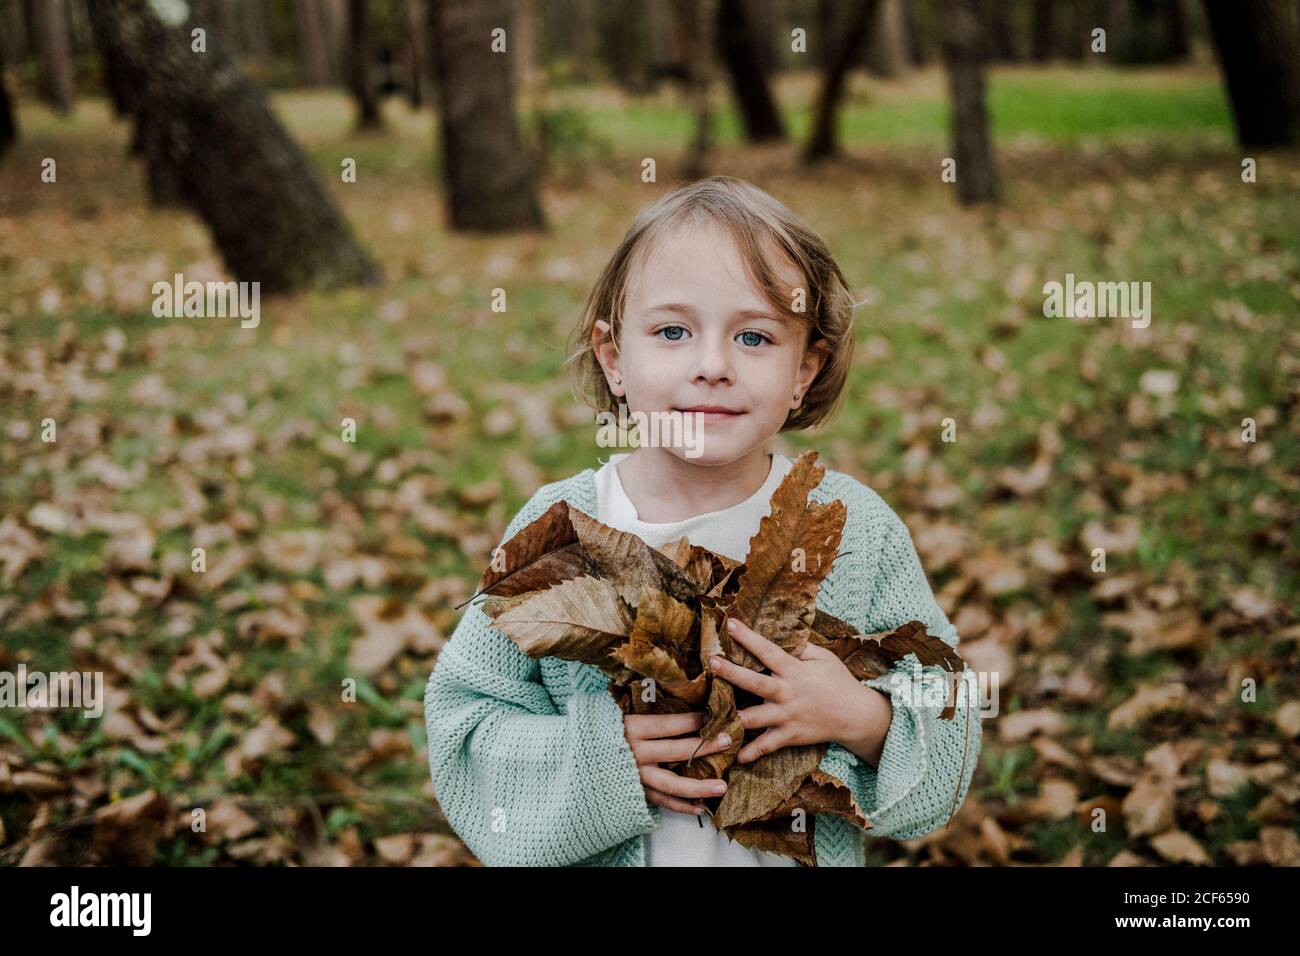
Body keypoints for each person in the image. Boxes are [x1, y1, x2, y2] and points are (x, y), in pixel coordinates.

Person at [424, 176, 982, 866]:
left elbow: (951, 705)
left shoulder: (852, 530)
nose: (712, 366)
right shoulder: (563, 526)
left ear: (805, 370)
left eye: (754, 336)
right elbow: (466, 724)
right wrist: (600, 760)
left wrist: (862, 718)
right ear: (614, 358)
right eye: (672, 331)